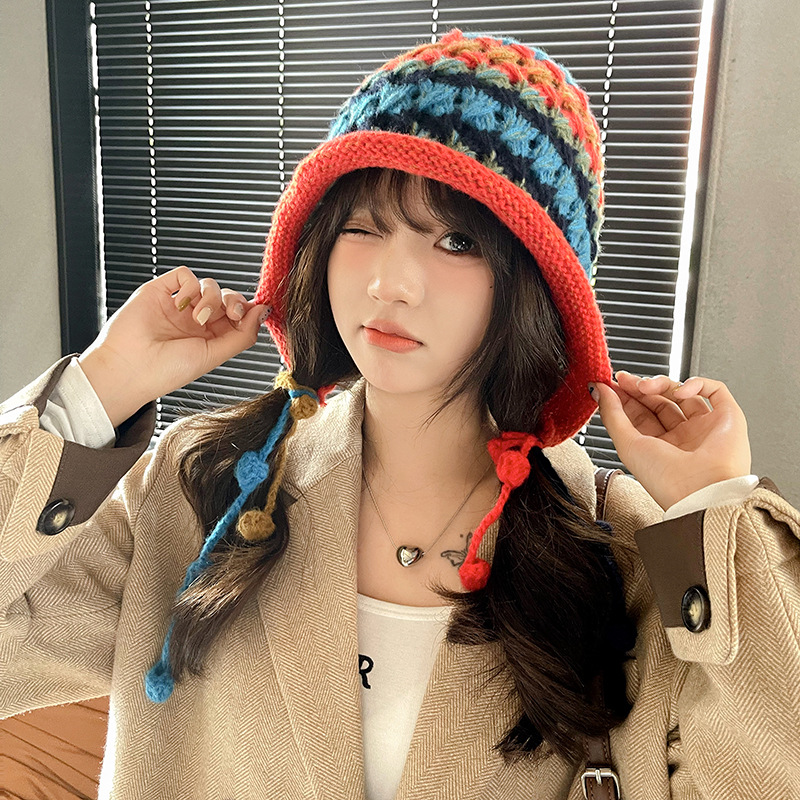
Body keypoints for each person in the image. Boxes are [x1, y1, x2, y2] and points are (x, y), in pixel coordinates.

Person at [1, 27, 798, 800]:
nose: (390, 283)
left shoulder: (628, 558)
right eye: (363, 227)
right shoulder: (203, 489)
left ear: (532, 285)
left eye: (457, 242)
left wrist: (717, 507)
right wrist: (100, 387)